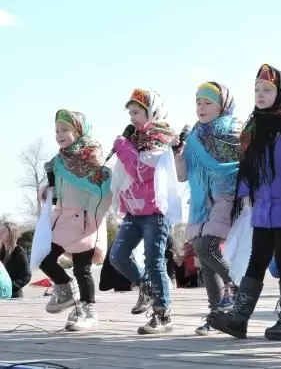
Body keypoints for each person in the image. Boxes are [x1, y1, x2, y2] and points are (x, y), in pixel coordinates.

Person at [208, 64, 281, 340]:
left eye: (267, 90)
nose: (260, 94)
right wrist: (245, 194)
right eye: (256, 90)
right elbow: (248, 166)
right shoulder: (255, 125)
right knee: (257, 258)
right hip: (262, 204)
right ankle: (239, 318)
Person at [109, 88, 181, 334]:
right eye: (130, 113)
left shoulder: (160, 137)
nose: (132, 118)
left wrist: (122, 147)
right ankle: (146, 287)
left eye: (137, 112)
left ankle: (163, 315)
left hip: (155, 211)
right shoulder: (133, 140)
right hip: (134, 211)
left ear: (152, 112)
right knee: (118, 255)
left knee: (154, 260)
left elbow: (142, 171)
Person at [174, 81, 241, 335]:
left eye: (207, 103)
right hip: (201, 201)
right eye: (198, 103)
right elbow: (182, 176)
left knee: (205, 246)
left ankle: (237, 285)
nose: (201, 108)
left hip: (227, 195)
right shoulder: (193, 137)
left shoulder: (235, 130)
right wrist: (178, 153)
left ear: (222, 105)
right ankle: (216, 314)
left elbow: (242, 164)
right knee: (203, 256)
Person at [38, 110, 111, 331]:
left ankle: (88, 310)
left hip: (86, 220)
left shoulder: (91, 157)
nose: (59, 134)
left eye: (65, 129)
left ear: (78, 131)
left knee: (82, 269)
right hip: (63, 219)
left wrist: (93, 218)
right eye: (57, 130)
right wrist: (47, 191)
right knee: (44, 256)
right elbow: (57, 188)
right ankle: (66, 287)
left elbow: (104, 187)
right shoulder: (58, 161)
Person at [0, 221, 31, 298]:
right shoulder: (1, 252)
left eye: (3, 231)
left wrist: (11, 287)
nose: (0, 233)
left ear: (11, 234)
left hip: (14, 297)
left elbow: (27, 276)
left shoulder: (19, 252)